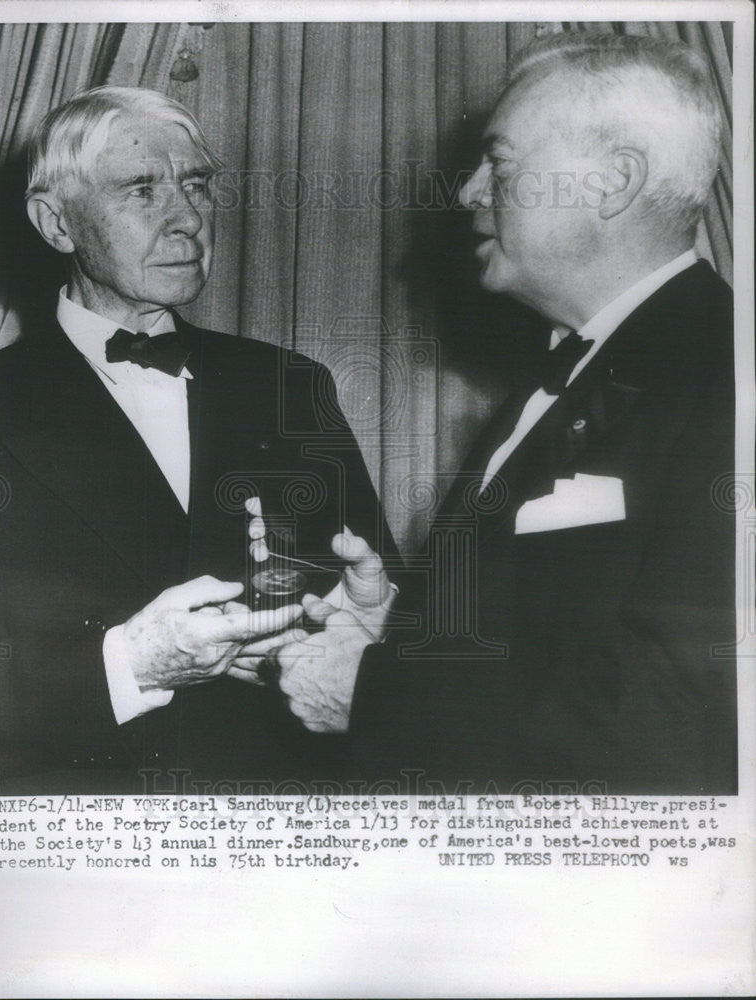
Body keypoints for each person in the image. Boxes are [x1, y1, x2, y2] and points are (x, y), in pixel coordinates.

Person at [269, 32, 738, 794]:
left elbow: (687, 719)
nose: (469, 192)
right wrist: (397, 633)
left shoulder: (725, 374)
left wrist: (380, 696)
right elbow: (558, 643)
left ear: (614, 182)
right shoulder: (568, 371)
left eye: (502, 162)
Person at [0, 85, 396, 794]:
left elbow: (375, 599)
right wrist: (131, 666)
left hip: (283, 818)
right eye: (142, 189)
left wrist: (363, 629)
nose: (187, 218)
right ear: (55, 224)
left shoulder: (290, 385)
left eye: (197, 184)